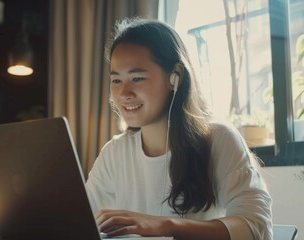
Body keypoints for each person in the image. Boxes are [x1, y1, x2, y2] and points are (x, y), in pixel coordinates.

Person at [85, 18, 273, 240]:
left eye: (137, 78)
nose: (124, 93)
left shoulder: (218, 138)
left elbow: (256, 227)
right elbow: (80, 222)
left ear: (176, 77)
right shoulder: (113, 153)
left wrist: (166, 225)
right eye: (116, 81)